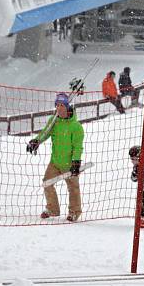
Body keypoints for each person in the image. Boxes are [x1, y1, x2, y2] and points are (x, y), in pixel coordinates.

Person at [27, 92, 85, 222]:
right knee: (47, 183)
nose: (59, 108)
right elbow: (45, 133)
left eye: (61, 105)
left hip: (69, 163)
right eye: (57, 105)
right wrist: (36, 141)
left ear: (67, 106)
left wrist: (76, 162)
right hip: (55, 161)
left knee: (73, 188)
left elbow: (78, 147)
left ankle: (74, 212)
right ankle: (52, 209)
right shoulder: (54, 121)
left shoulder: (76, 127)